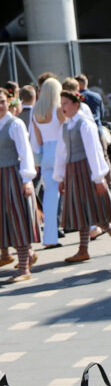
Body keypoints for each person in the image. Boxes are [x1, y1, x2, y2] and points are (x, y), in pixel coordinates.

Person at [53, 91, 111, 263]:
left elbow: (94, 152)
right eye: (61, 103)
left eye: (66, 103)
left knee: (92, 208)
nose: (63, 107)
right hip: (73, 171)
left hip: (86, 170)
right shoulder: (65, 126)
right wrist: (60, 176)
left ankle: (104, 238)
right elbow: (61, 153)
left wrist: (99, 178)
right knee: (81, 210)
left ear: (76, 104)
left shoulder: (85, 125)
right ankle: (103, 239)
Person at [0, 89, 39, 283]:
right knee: (5, 221)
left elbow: (25, 152)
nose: (0, 106)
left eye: (1, 101)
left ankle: (24, 268)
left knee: (17, 219)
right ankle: (27, 256)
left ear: (8, 102)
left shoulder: (15, 124)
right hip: (1, 176)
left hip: (13, 175)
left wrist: (27, 179)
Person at [30, 78, 64, 248]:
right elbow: (66, 132)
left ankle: (50, 238)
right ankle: (92, 227)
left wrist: (36, 162)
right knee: (76, 189)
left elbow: (36, 141)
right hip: (61, 152)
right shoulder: (58, 109)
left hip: (45, 155)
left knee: (50, 197)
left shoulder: (36, 112)